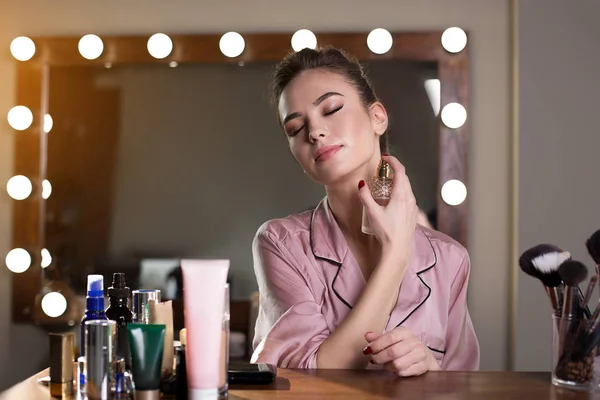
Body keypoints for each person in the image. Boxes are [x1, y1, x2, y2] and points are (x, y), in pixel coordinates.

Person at [250, 47, 479, 376]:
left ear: (378, 117)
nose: (314, 132)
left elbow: (468, 387)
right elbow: (307, 378)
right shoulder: (281, 244)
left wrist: (433, 372)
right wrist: (396, 255)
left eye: (331, 109)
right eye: (296, 129)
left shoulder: (450, 261)